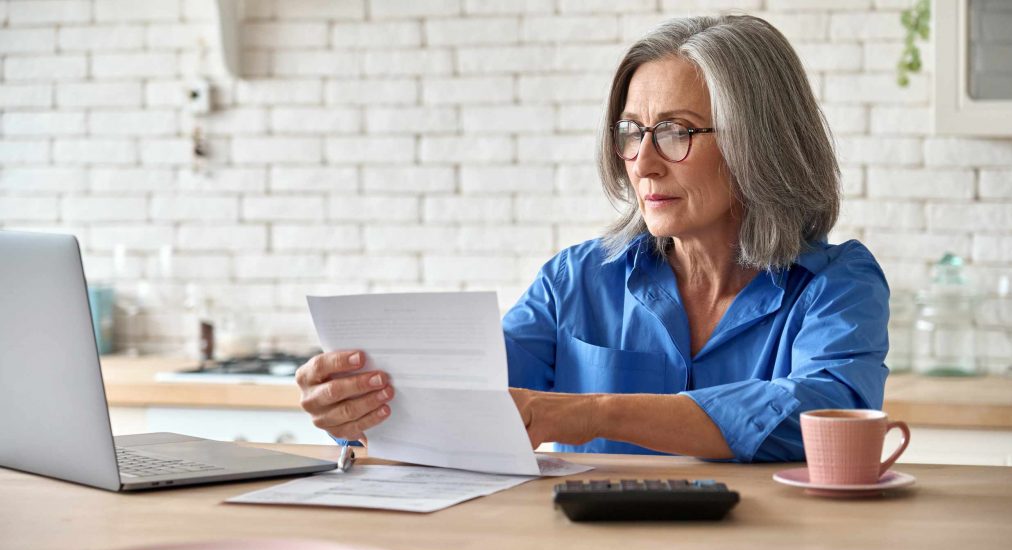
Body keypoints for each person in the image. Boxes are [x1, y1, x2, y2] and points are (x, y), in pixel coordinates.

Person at [295, 15, 889, 463]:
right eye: (632, 132)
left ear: (759, 143)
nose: (643, 163)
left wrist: (592, 412)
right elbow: (466, 398)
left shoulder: (837, 284)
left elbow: (824, 415)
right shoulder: (573, 282)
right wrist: (354, 408)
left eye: (675, 132)